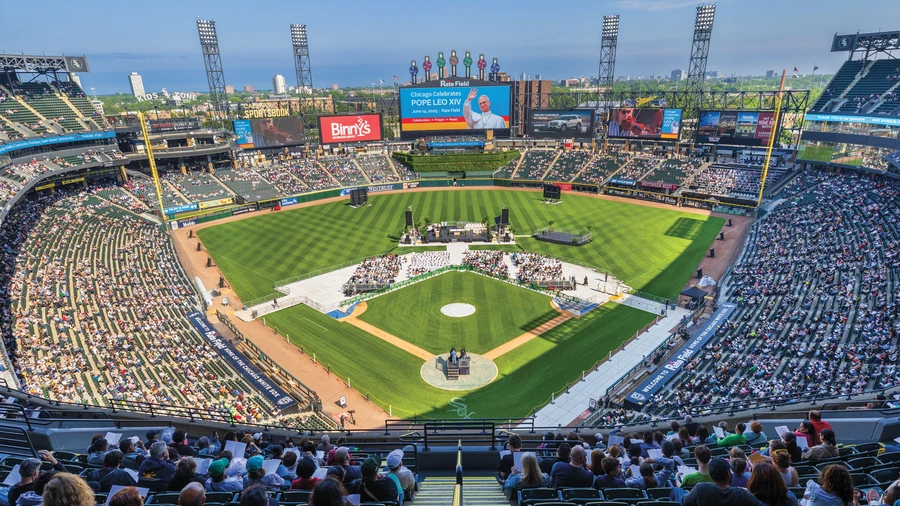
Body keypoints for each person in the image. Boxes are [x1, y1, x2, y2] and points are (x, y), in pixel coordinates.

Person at [681, 459, 767, 506]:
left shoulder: (701, 489)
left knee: (677, 491)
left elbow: (684, 502)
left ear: (711, 476)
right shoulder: (741, 493)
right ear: (729, 474)